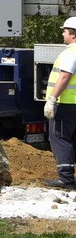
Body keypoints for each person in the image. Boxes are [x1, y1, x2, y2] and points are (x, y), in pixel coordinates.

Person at [43, 16, 76, 189]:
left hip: (66, 103)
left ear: (73, 34)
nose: (62, 34)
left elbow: (65, 76)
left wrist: (52, 99)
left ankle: (66, 179)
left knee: (60, 138)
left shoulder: (71, 52)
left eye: (64, 31)